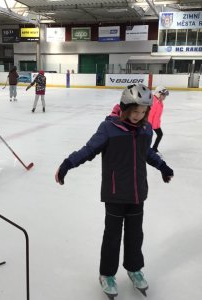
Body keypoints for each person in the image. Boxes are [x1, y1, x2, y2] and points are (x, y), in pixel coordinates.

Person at [55, 84, 174, 299]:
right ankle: (107, 274)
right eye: (135, 111)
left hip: (138, 193)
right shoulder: (109, 128)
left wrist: (162, 167)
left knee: (135, 234)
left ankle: (134, 269)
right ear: (125, 107)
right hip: (115, 193)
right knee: (112, 236)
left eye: (143, 112)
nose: (139, 116)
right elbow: (89, 149)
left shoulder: (146, 129)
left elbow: (146, 152)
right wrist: (67, 164)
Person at [148, 86, 169, 156]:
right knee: (147, 137)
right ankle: (145, 151)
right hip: (148, 124)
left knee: (160, 134)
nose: (164, 97)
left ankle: (154, 148)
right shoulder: (152, 101)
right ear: (158, 93)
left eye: (165, 95)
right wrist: (148, 125)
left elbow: (157, 115)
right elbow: (149, 115)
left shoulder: (160, 102)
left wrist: (156, 124)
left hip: (155, 123)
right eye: (163, 95)